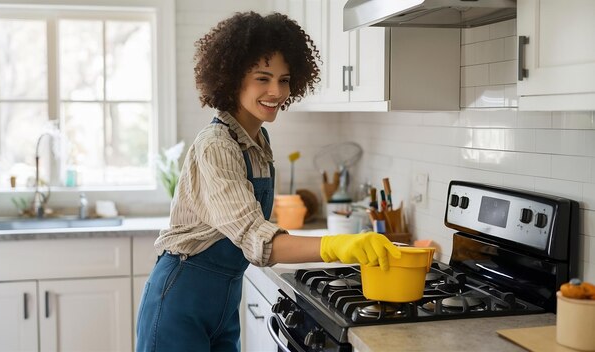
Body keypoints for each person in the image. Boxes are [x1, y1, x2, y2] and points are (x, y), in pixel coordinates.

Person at [136, 11, 400, 352]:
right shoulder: (217, 145)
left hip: (223, 301)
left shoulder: (258, 141)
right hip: (181, 300)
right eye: (263, 78)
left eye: (284, 79)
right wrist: (338, 245)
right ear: (233, 79)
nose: (276, 91)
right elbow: (255, 239)